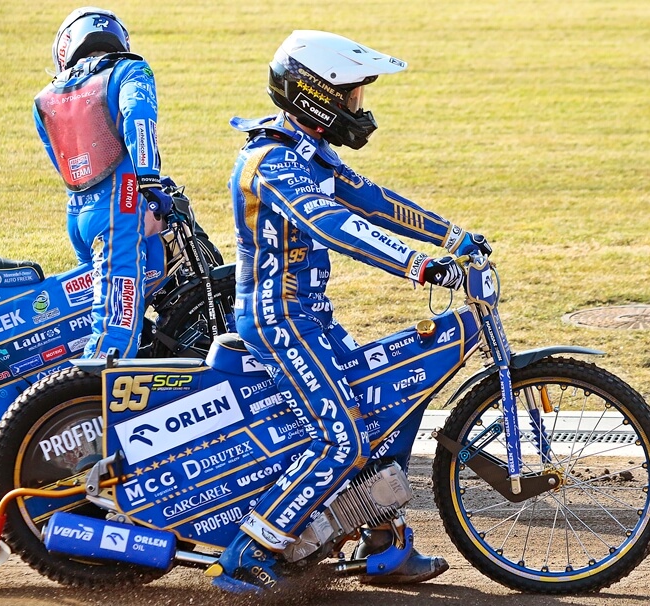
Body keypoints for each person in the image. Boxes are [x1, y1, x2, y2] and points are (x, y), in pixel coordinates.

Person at [207, 30, 492, 594]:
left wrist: (453, 236)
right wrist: (419, 265)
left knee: (384, 412)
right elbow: (334, 224)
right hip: (278, 322)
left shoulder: (309, 152)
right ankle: (250, 552)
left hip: (310, 318)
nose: (360, 108)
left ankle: (382, 546)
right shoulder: (271, 161)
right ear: (315, 95)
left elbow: (374, 201)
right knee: (343, 440)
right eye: (352, 96)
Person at [34, 7, 173, 358]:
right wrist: (149, 181)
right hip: (119, 211)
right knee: (115, 328)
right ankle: (98, 385)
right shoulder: (130, 69)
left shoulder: (46, 98)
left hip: (78, 215)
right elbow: (138, 118)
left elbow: (60, 159)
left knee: (104, 300)